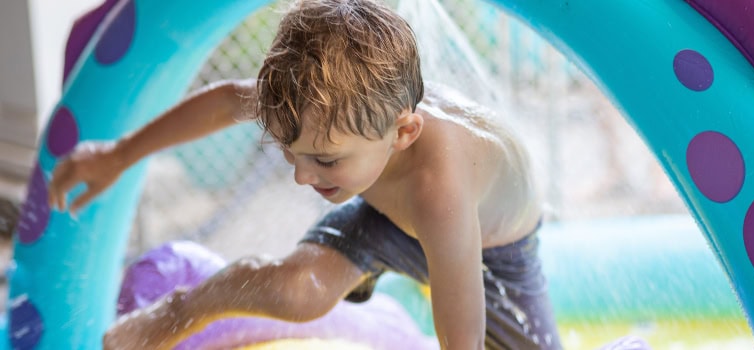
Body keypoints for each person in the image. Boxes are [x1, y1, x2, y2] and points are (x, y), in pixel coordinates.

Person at [48, 0, 562, 349]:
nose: (300, 178)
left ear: (403, 133)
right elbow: (227, 100)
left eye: (324, 160)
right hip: (381, 211)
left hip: (493, 252)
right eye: (290, 154)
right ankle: (182, 308)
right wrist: (119, 154)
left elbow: (462, 334)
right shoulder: (323, 108)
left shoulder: (439, 189)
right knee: (300, 290)